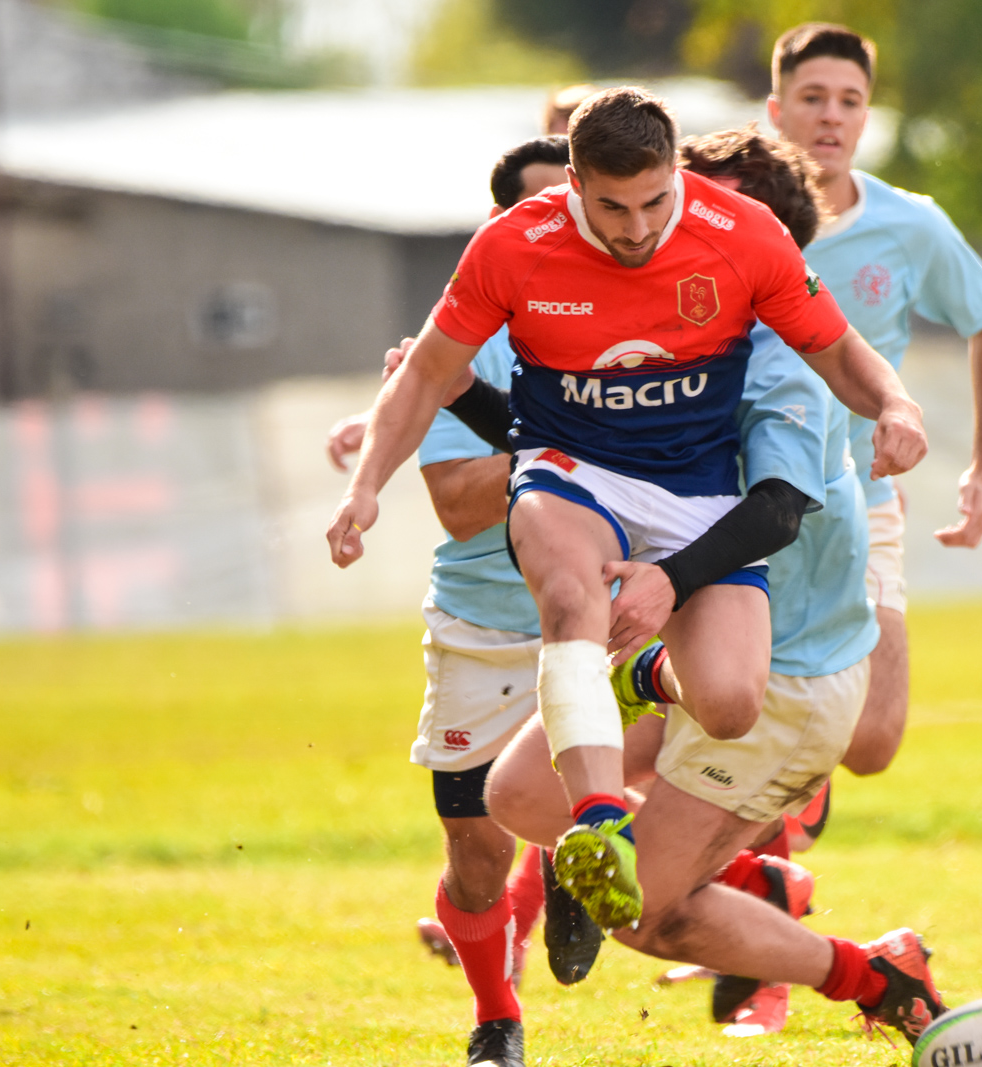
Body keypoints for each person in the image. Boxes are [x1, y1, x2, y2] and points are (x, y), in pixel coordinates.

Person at [325, 87, 928, 938]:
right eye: (612, 206)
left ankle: (639, 678)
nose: (638, 228)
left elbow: (835, 350)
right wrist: (364, 487)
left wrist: (896, 407)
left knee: (726, 703)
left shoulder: (739, 237)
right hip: (573, 472)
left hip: (696, 493)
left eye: (654, 201)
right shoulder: (514, 244)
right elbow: (424, 373)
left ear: (677, 171)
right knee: (571, 599)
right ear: (573, 179)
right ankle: (600, 820)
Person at [471, 127, 943, 1048]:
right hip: (689, 650)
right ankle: (749, 876)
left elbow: (774, 513)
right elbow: (561, 441)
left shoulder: (784, 354)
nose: (661, 226)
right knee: (521, 794)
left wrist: (667, 577)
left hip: (783, 685)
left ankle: (876, 975)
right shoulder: (683, 328)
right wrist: (444, 384)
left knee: (643, 911)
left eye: (692, 201)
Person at [327, 137, 594, 1067]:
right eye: (541, 210)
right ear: (501, 227)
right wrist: (579, 454)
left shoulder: (635, 330)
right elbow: (460, 503)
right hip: (483, 630)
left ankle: (579, 861)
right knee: (475, 860)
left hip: (598, 620)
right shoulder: (460, 341)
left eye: (580, 204)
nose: (567, 224)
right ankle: (496, 1014)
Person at [769, 23, 982, 776]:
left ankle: (763, 830)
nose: (831, 116)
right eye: (812, 97)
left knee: (873, 741)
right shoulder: (736, 214)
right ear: (776, 110)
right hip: (738, 497)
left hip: (858, 497)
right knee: (726, 701)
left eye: (850, 100)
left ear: (867, 116)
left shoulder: (909, 224)